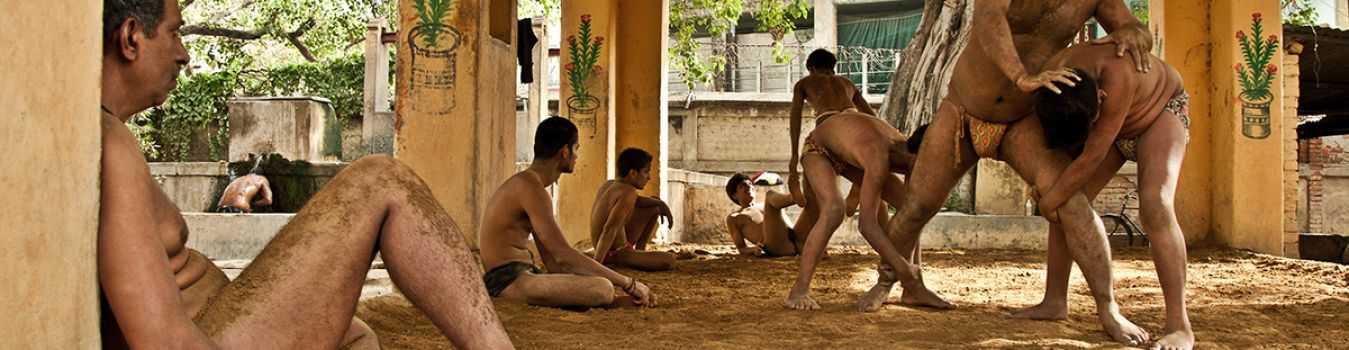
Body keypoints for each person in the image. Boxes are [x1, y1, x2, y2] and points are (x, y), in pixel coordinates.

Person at [97, 0, 513, 348]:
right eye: (174, 32)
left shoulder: (109, 135)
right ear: (132, 37)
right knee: (381, 180)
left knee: (354, 338)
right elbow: (160, 338)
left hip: (221, 317)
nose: (184, 53)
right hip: (208, 335)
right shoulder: (110, 142)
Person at [856, 0, 1161, 347]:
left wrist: (1135, 34)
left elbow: (1133, 28)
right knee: (917, 206)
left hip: (1023, 119)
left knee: (1072, 204)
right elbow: (988, 17)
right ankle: (889, 284)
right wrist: (1021, 76)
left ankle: (1108, 308)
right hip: (963, 108)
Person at [1021, 44, 1193, 350]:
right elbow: (1059, 145)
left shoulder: (1118, 77)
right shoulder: (1054, 80)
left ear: (1100, 97)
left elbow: (1092, 155)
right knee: (1070, 204)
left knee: (1155, 205)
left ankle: (1179, 327)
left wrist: (1047, 200)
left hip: (1160, 114)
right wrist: (1049, 187)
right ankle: (1054, 300)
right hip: (1113, 130)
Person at [478, 117, 656, 309]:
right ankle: (610, 299)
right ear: (564, 151)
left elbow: (552, 259)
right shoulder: (531, 188)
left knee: (598, 286)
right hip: (506, 281)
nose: (577, 156)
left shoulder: (531, 186)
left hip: (523, 275)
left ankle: (613, 302)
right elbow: (563, 254)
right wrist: (628, 283)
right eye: (576, 148)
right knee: (602, 288)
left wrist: (573, 284)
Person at [588, 148, 679, 271]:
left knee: (654, 205)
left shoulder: (610, 184)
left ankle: (640, 253)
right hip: (614, 253)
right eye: (646, 172)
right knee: (670, 261)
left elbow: (638, 201)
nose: (649, 177)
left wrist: (661, 203)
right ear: (633, 173)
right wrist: (596, 265)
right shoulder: (628, 192)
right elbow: (609, 229)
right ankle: (635, 259)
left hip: (613, 246)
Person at [724, 172, 809, 257]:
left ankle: (804, 195)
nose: (749, 186)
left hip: (798, 240)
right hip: (777, 246)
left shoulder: (768, 204)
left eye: (750, 184)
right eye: (743, 185)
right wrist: (754, 249)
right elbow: (741, 248)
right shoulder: (735, 217)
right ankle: (794, 198)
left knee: (812, 198)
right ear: (735, 196)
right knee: (770, 195)